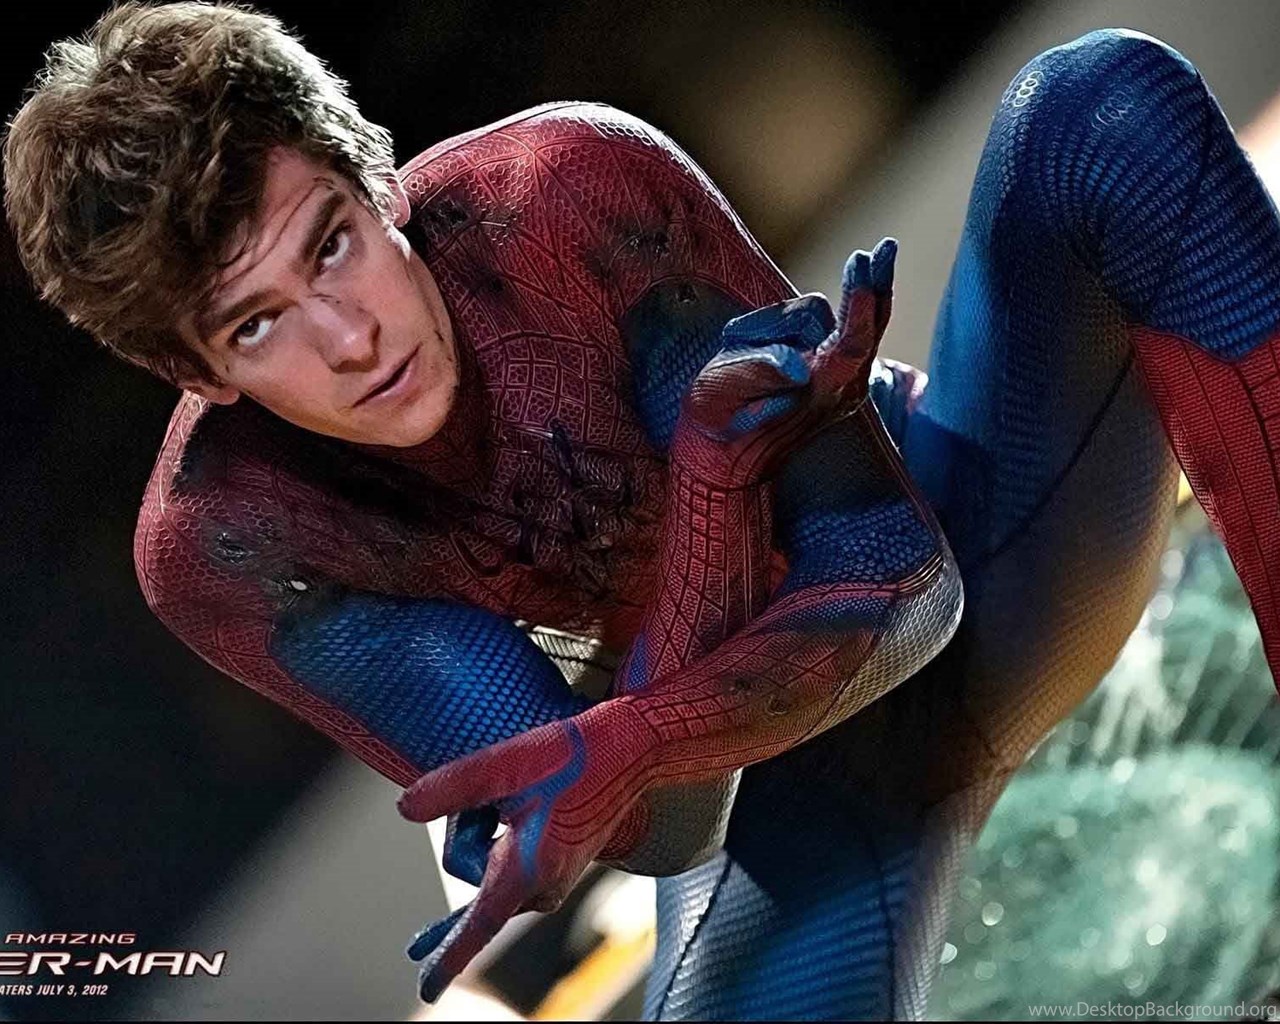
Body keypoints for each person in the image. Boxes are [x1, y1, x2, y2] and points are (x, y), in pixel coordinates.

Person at [5, 3, 1280, 1018]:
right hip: (782, 805)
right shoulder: (233, 540)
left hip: (988, 556)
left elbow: (905, 573)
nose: (348, 341)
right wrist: (712, 503)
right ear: (194, 372)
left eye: (328, 244)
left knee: (1095, 106)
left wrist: (633, 733)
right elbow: (657, 831)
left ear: (376, 178)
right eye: (256, 324)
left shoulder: (564, 198)